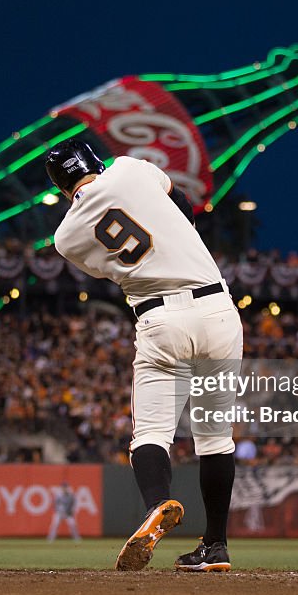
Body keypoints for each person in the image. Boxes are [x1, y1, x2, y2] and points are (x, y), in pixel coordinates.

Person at [46, 139, 242, 572]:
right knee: (215, 438)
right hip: (218, 310)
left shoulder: (65, 237)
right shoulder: (130, 169)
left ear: (62, 188)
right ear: (96, 162)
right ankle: (216, 545)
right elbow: (183, 203)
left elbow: (108, 266)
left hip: (160, 318)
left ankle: (157, 504)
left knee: (151, 435)